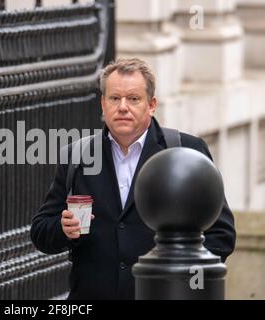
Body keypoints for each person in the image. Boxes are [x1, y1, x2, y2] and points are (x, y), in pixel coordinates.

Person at [30, 57, 236, 300]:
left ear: (151, 104)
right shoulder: (78, 156)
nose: (123, 107)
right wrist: (64, 229)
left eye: (133, 99)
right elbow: (41, 231)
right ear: (103, 104)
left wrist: (182, 282)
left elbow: (221, 234)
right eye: (115, 98)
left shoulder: (186, 151)